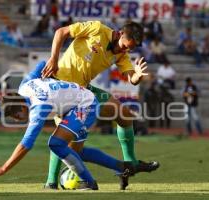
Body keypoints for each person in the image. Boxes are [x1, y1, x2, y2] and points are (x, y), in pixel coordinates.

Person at [41, 20, 160, 190]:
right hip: (62, 87)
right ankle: (51, 183)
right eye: (125, 46)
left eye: (130, 49)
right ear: (119, 34)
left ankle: (129, 164)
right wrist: (53, 59)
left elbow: (131, 78)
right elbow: (61, 32)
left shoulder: (121, 54)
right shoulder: (97, 29)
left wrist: (138, 76)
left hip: (83, 91)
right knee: (69, 145)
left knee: (125, 115)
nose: (125, 50)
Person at [0, 76, 136, 190]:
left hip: (85, 105)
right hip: (77, 103)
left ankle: (88, 182)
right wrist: (51, 65)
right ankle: (121, 167)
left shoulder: (39, 109)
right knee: (75, 151)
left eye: (15, 116)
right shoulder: (24, 87)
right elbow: (40, 65)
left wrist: (4, 168)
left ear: (22, 108)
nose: (16, 120)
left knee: (56, 143)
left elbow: (26, 143)